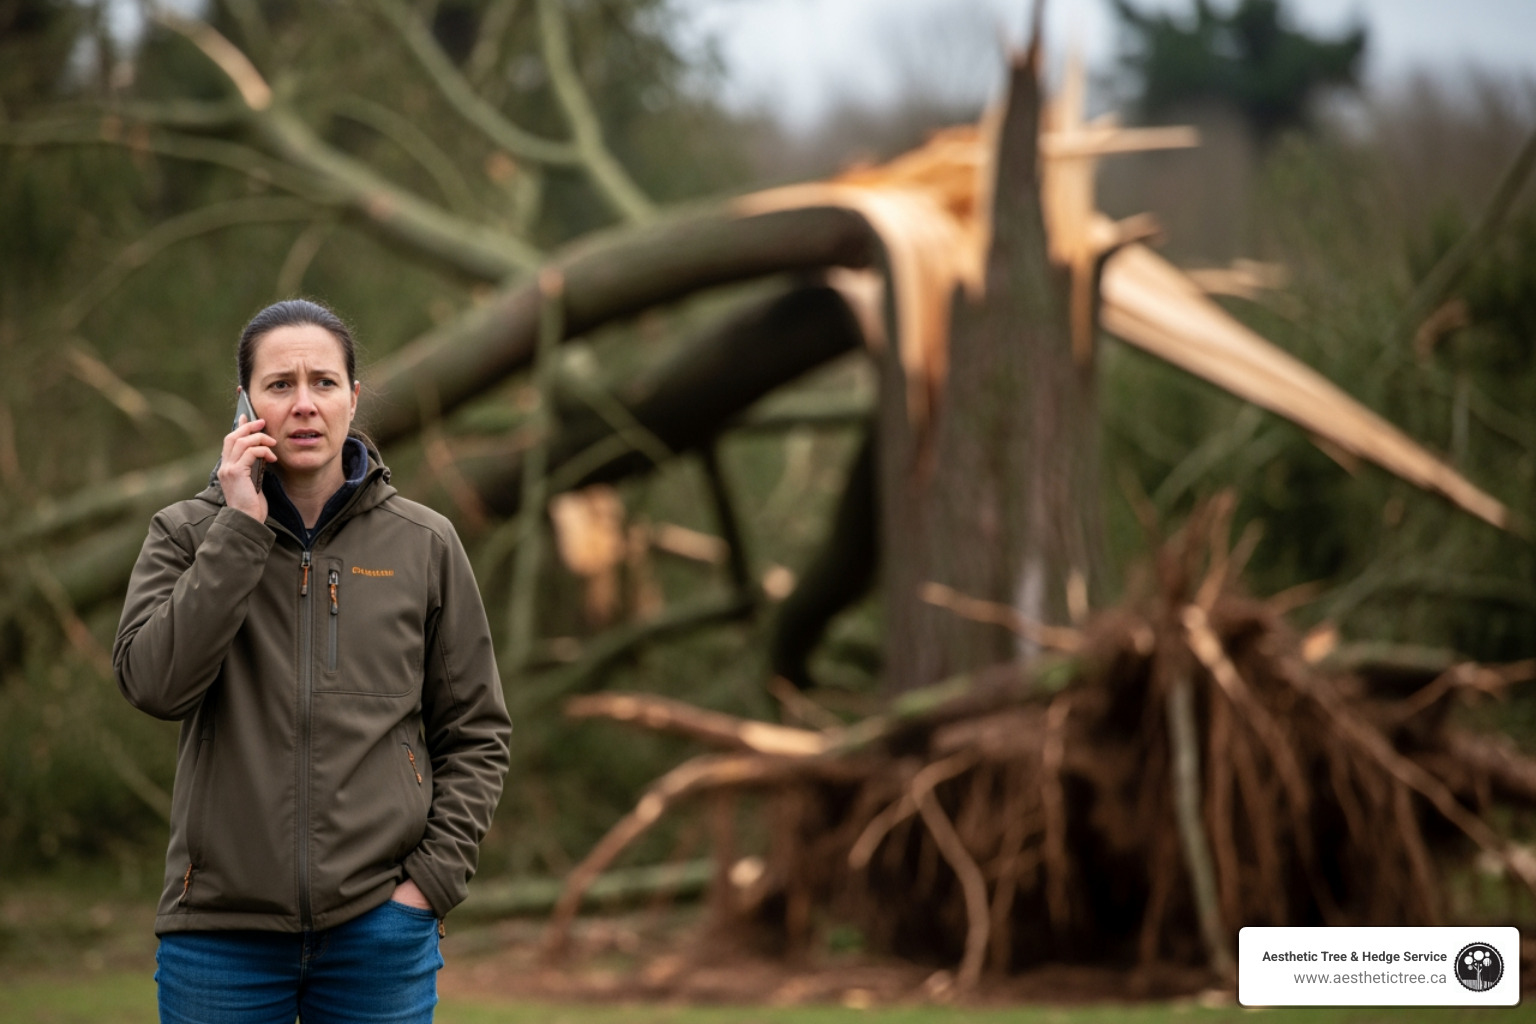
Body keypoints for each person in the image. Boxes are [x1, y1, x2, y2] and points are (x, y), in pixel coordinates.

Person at [113, 299, 512, 1024]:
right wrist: (238, 531)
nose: (304, 404)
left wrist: (429, 885)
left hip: (379, 934)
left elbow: (477, 731)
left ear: (353, 399)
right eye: (279, 384)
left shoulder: (424, 544)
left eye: (324, 383)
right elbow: (154, 684)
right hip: (218, 935)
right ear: (245, 402)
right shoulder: (185, 534)